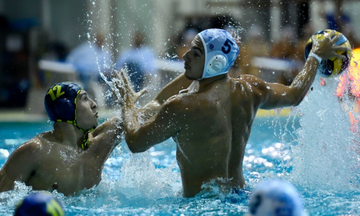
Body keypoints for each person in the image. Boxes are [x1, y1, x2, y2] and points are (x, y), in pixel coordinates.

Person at [113, 28, 348, 197]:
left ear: (215, 63)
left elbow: (135, 142)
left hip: (201, 206)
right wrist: (315, 56)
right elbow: (295, 93)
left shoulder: (183, 106)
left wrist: (127, 104)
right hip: (240, 197)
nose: (185, 56)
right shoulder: (250, 90)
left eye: (195, 53)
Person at [0, 82, 122, 196]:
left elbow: (136, 130)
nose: (94, 104)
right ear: (66, 108)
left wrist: (128, 105)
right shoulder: (35, 151)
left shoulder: (98, 144)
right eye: (85, 99)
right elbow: (3, 197)